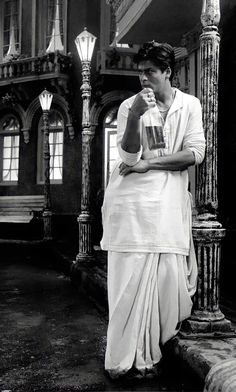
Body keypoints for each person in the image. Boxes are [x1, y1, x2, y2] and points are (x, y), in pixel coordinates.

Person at [100, 41, 205, 380]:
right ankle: (122, 362)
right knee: (129, 282)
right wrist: (134, 116)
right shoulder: (131, 105)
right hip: (131, 206)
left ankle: (148, 353)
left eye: (150, 72)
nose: (143, 79)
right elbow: (128, 158)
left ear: (168, 73)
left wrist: (151, 164)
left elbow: (194, 153)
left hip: (169, 203)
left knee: (167, 279)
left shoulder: (189, 105)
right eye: (140, 72)